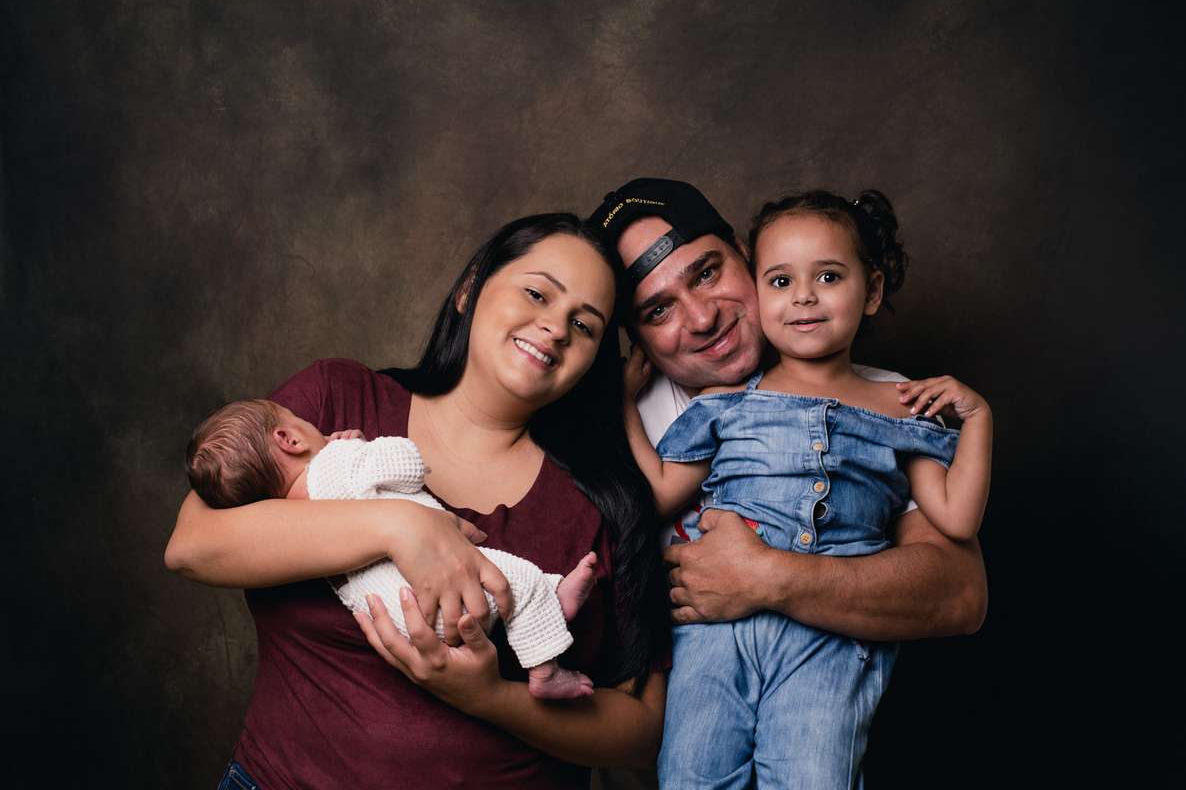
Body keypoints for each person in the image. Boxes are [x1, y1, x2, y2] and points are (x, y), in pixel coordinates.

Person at [166, 213, 670, 790]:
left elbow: (642, 732)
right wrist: (398, 526)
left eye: (584, 325)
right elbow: (192, 546)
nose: (556, 328)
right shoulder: (335, 404)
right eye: (537, 293)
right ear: (470, 288)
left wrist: (491, 699)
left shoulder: (606, 501)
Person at [586, 178, 988, 787]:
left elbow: (959, 594)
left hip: (818, 688)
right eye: (657, 310)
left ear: (747, 258)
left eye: (707, 273)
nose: (702, 318)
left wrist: (767, 577)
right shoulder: (612, 436)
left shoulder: (887, 401)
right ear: (633, 337)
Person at [185, 398, 602, 699]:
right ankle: (545, 669)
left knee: (505, 578)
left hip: (401, 623)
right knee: (515, 581)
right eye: (300, 420)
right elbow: (405, 465)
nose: (316, 427)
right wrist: (364, 448)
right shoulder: (333, 462)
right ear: (288, 439)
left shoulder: (288, 524)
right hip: (438, 593)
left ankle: (549, 596)